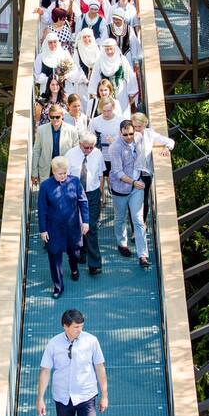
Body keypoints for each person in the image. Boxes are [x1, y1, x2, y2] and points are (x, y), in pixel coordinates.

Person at [37, 308, 108, 416]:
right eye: (76, 327)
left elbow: (100, 367)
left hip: (86, 396)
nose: (79, 330)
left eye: (81, 326)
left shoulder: (91, 341)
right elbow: (45, 370)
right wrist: (40, 398)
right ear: (65, 326)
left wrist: (104, 395)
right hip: (62, 398)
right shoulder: (53, 344)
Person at [37, 157, 90, 298]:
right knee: (54, 257)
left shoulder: (75, 181)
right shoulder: (45, 186)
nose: (63, 176)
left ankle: (74, 268)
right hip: (53, 228)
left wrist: (85, 221)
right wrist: (43, 229)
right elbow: (42, 209)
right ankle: (58, 286)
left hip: (73, 227)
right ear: (53, 171)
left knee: (75, 253)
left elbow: (83, 201)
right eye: (60, 173)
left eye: (65, 173)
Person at [109, 119, 149, 267]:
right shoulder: (115, 147)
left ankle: (143, 255)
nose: (129, 137)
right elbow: (118, 172)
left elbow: (153, 137)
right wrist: (133, 182)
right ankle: (122, 243)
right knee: (120, 218)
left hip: (136, 187)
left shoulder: (138, 137)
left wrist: (166, 146)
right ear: (120, 133)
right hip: (121, 187)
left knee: (138, 220)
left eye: (131, 133)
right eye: (125, 135)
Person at [64, 134, 105, 276]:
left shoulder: (98, 154)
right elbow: (65, 177)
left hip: (92, 194)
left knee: (91, 226)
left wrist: (101, 194)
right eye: (86, 147)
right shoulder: (70, 154)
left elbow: (100, 175)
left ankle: (94, 264)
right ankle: (82, 251)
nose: (88, 150)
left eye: (91, 147)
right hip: (75, 194)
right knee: (77, 225)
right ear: (80, 144)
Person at [32, 104, 79, 185]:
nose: (55, 119)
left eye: (57, 117)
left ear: (62, 116)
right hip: (46, 171)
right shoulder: (41, 130)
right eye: (52, 117)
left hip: (64, 172)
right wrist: (34, 173)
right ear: (49, 116)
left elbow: (76, 153)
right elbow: (36, 151)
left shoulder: (72, 130)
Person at [130, 111, 174, 196]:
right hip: (132, 172)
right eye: (134, 126)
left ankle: (145, 208)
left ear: (145, 124)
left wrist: (166, 148)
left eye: (139, 126)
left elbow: (170, 141)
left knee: (145, 196)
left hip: (146, 172)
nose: (137, 129)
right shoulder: (129, 135)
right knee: (133, 196)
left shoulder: (150, 133)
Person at [89, 39, 134, 116]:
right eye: (107, 49)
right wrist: (93, 92)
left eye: (111, 49)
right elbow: (95, 77)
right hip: (105, 92)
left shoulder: (122, 59)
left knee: (122, 113)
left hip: (120, 91)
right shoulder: (99, 61)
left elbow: (129, 75)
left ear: (115, 48)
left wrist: (131, 92)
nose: (109, 51)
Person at [90, 97, 123, 172]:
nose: (106, 114)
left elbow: (127, 140)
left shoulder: (121, 120)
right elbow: (90, 138)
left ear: (114, 107)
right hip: (100, 157)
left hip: (117, 157)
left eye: (109, 111)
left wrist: (115, 142)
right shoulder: (95, 121)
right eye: (104, 111)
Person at [70, 29, 98, 108]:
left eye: (89, 37)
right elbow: (76, 65)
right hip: (82, 82)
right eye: (84, 37)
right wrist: (85, 79)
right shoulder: (78, 49)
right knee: (84, 104)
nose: (87, 39)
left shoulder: (96, 48)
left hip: (95, 82)